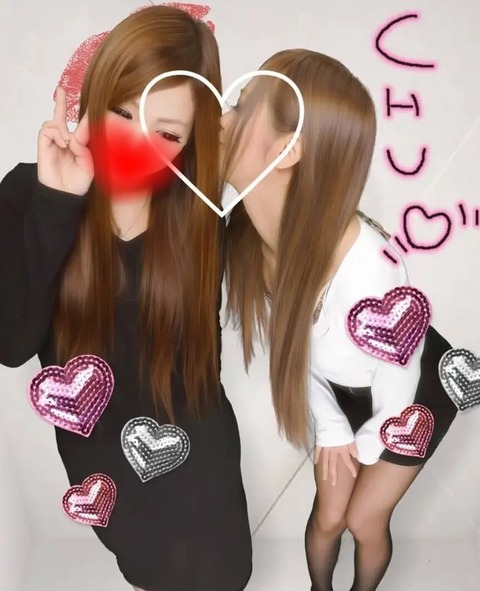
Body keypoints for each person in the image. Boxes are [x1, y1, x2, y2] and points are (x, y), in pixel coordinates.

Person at [0, 6, 252, 591]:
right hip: (102, 458)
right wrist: (58, 204)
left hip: (196, 438)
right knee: (149, 571)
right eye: (121, 111)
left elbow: (207, 349)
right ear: (94, 96)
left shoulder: (198, 209)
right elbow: (10, 346)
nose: (136, 143)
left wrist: (241, 169)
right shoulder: (28, 192)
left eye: (167, 133)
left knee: (226, 575)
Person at [220, 48, 457, 591]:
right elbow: (297, 347)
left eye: (240, 106)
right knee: (328, 516)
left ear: (287, 151)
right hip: (342, 385)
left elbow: (398, 381)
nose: (222, 117)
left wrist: (367, 448)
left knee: (361, 519)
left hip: (411, 391)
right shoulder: (252, 244)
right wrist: (330, 426)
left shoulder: (372, 270)